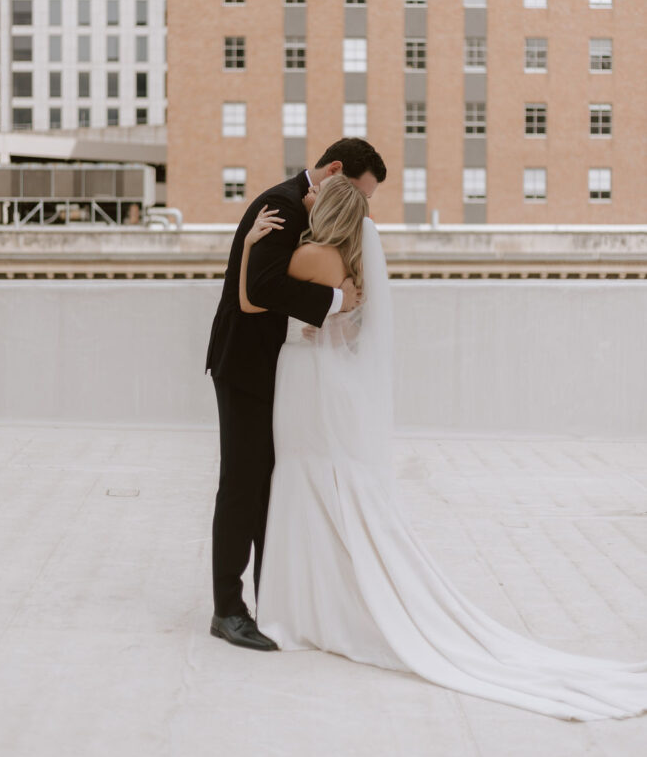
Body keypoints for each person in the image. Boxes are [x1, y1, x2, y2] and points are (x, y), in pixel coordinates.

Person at [238, 176, 647, 722]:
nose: (307, 200)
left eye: (317, 198)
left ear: (328, 210)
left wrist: (248, 246)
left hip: (302, 383)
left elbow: (251, 298)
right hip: (326, 382)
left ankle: (303, 608)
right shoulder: (349, 265)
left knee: (299, 477)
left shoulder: (309, 255)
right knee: (320, 483)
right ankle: (323, 599)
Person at [206, 138, 387, 651]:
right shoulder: (281, 205)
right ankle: (227, 608)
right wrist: (334, 298)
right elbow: (260, 290)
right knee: (242, 484)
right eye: (358, 193)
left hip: (282, 373)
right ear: (334, 171)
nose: (360, 209)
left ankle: (275, 598)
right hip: (245, 369)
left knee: (272, 486)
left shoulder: (307, 215)